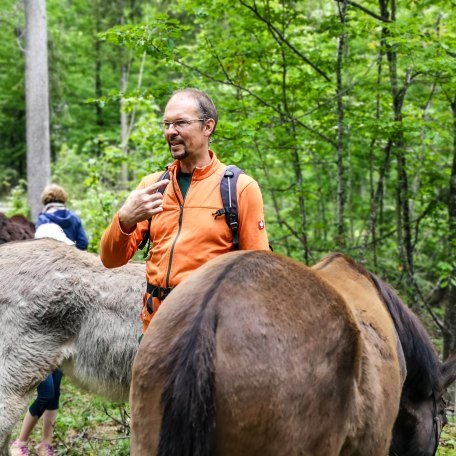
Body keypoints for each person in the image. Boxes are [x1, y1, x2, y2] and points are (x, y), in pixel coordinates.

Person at [100, 88, 269, 334]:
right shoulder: (153, 187)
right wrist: (124, 220)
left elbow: (258, 272)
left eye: (180, 123)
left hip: (209, 331)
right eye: (167, 124)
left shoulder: (239, 188)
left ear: (207, 127)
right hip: (156, 328)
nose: (171, 132)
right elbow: (110, 260)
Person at [10, 184, 88, 456]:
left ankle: (46, 443)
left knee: (53, 393)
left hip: (58, 333)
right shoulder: (72, 219)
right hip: (43, 336)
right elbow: (84, 243)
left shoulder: (42, 221)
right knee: (45, 392)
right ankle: (20, 441)